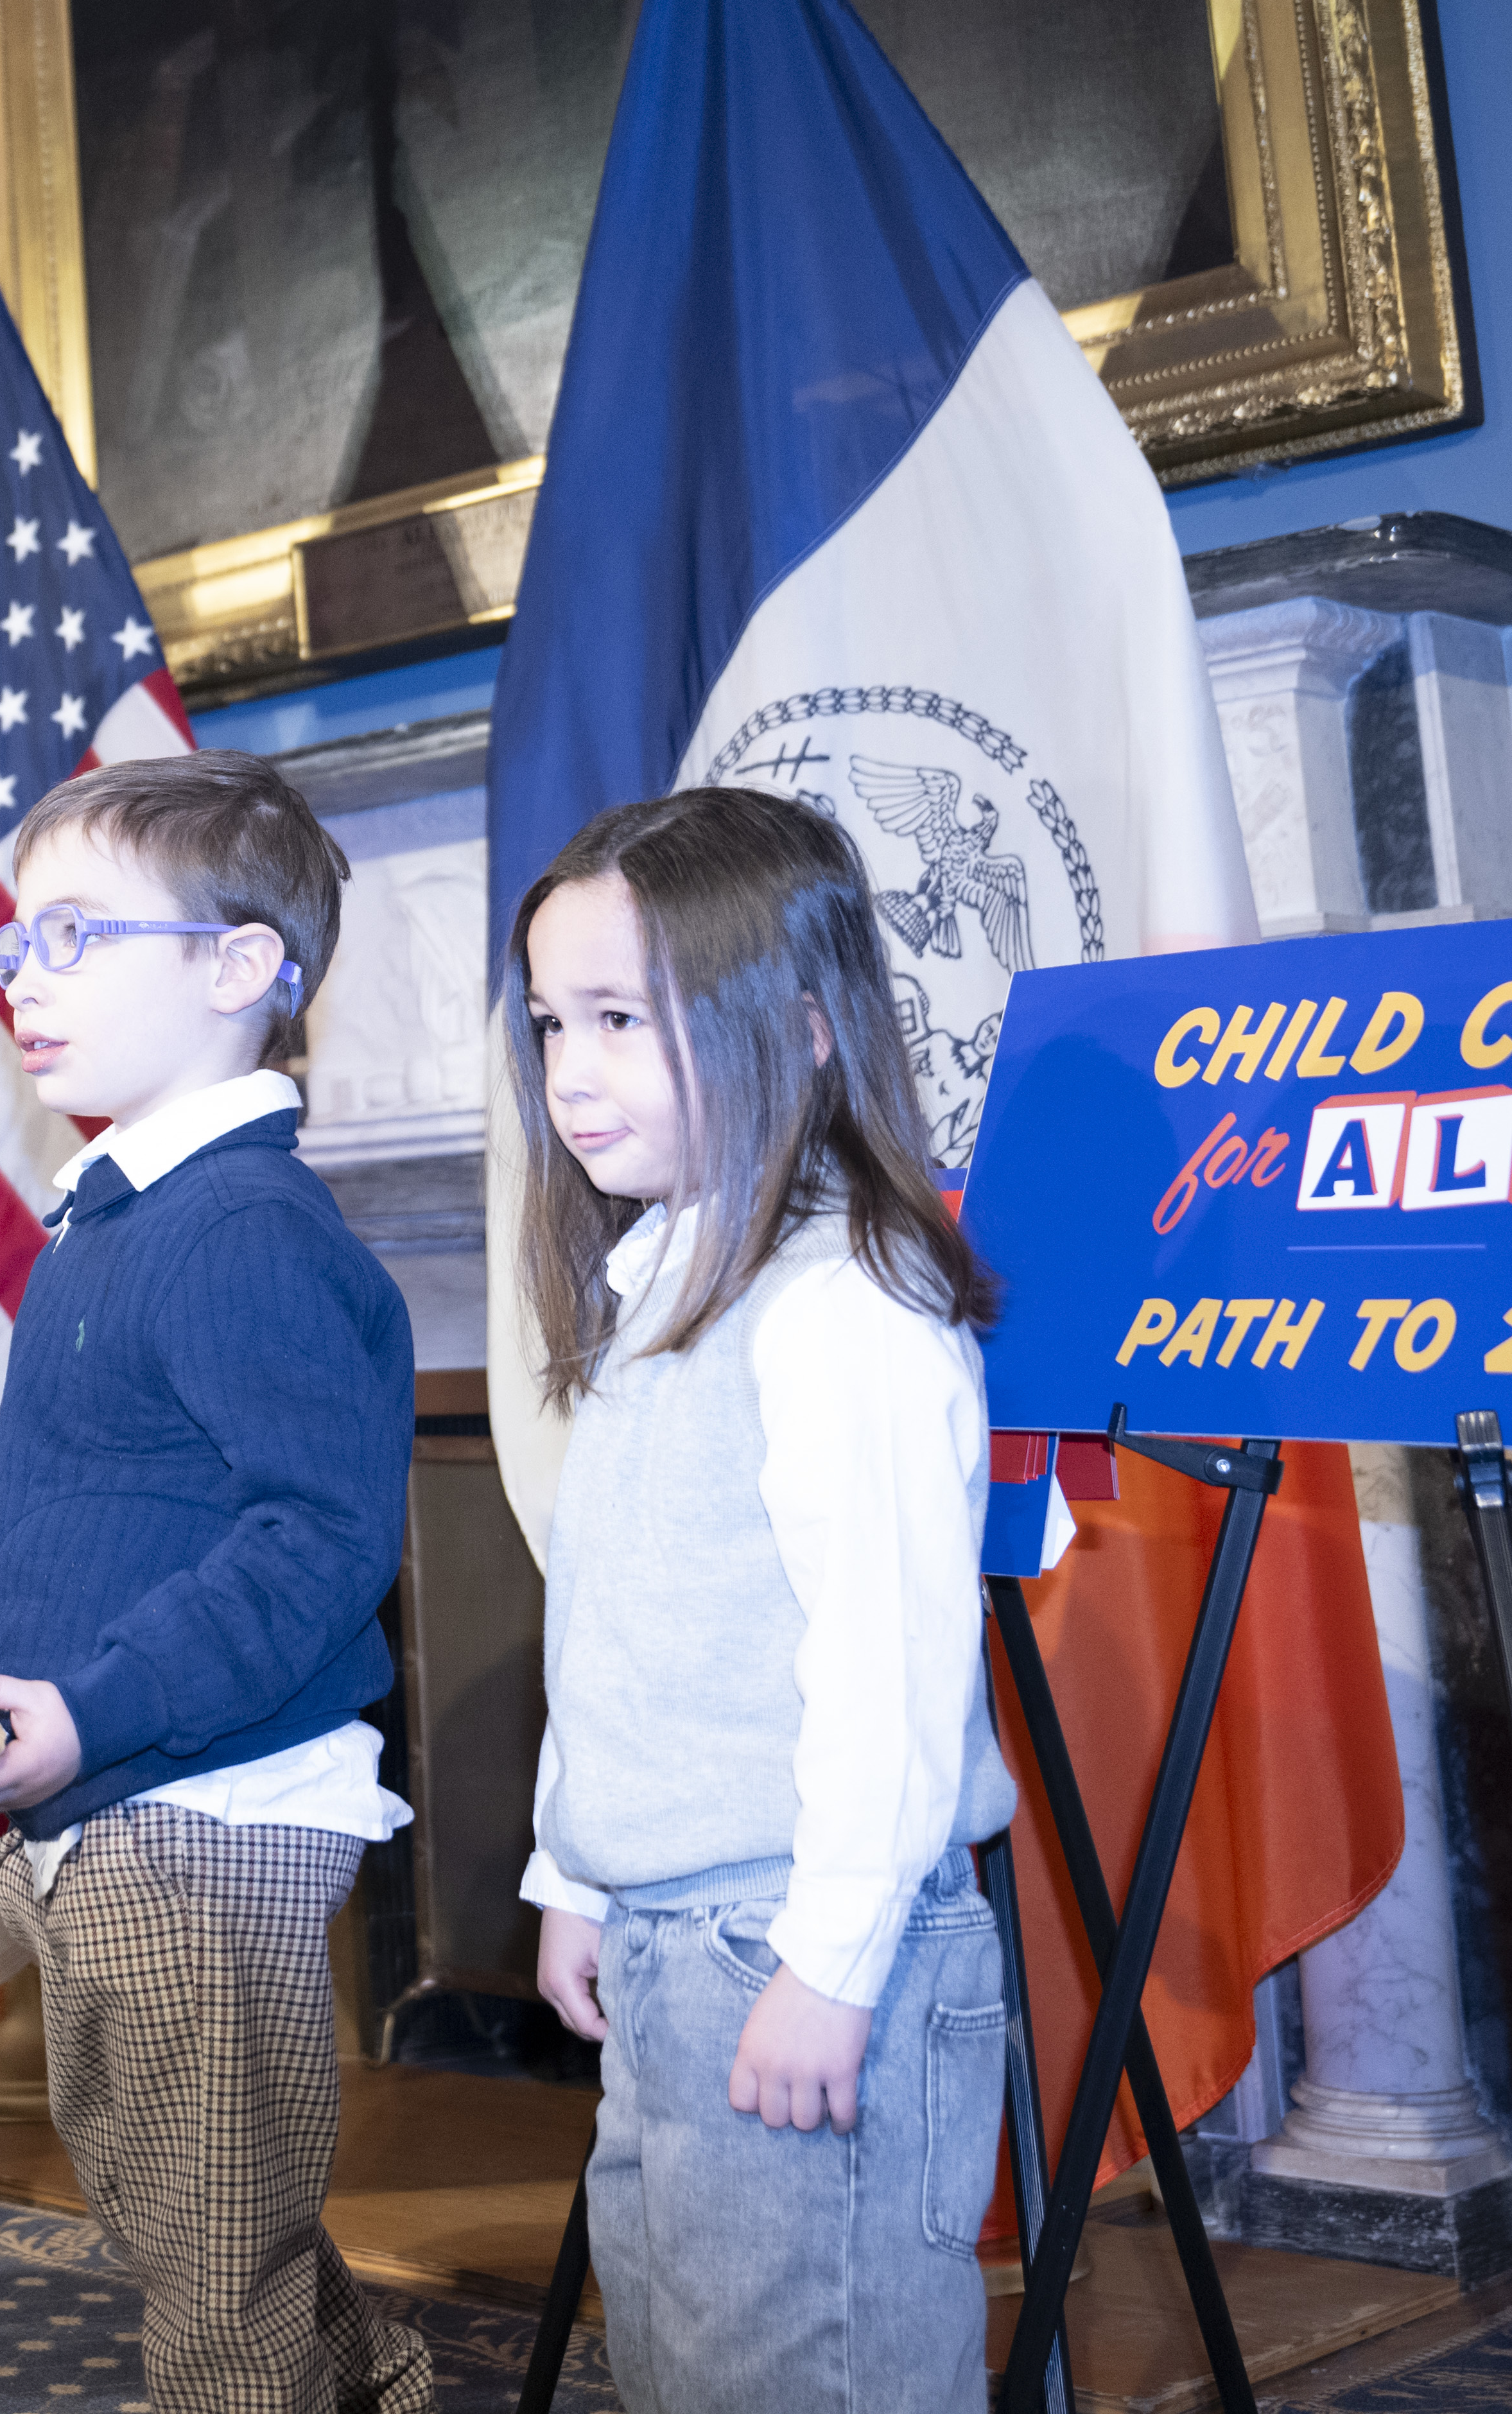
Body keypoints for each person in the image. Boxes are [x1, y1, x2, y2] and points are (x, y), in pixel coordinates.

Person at [0, 749, 437, 2414]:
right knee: (185, 2201)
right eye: (19, 941)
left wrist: (94, 1703)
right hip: (116, 1800)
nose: (26, 975)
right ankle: (372, 2382)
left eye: (77, 934)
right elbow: (108, 1513)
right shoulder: (119, 1219)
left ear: (237, 967)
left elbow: (316, 1541)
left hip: (210, 1816)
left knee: (212, 2259)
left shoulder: (240, 1234)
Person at [505, 786, 1014, 2414]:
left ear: (795, 1029)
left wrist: (832, 1966)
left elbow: (890, 1673)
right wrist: (567, 1865)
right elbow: (613, 1629)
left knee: (813, 2374)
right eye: (548, 1023)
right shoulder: (656, 1281)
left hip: (791, 1936)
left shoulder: (839, 1304)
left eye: (619, 1021)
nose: (568, 1071)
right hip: (670, 1937)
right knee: (688, 2371)